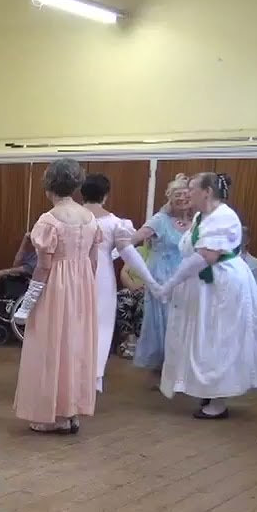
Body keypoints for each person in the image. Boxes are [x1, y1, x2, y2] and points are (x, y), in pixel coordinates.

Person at [155, 173, 257, 418]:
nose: (188, 193)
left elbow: (206, 256)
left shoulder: (224, 217)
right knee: (204, 337)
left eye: (192, 189)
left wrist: (170, 283)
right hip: (205, 288)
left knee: (220, 338)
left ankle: (219, 400)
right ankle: (208, 388)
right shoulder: (201, 216)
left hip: (222, 287)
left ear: (207, 192)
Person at [12, 159, 100, 433]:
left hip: (55, 289)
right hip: (82, 288)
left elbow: (44, 266)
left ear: (49, 184)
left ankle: (55, 415)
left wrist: (27, 304)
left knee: (50, 346)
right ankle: (71, 411)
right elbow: (93, 262)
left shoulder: (48, 221)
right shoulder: (90, 218)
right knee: (75, 346)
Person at [81, 173, 154, 391]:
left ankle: (73, 372)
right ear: (105, 195)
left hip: (73, 275)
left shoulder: (71, 218)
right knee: (101, 326)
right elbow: (129, 254)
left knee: (74, 322)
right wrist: (150, 280)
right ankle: (94, 378)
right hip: (102, 277)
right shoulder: (115, 223)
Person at [133, 173, 192, 370]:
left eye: (185, 193)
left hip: (187, 278)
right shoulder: (160, 219)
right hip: (161, 276)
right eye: (177, 194)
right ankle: (164, 363)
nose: (182, 198)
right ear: (169, 197)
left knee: (184, 320)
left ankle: (180, 362)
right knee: (164, 320)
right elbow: (137, 237)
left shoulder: (197, 221)